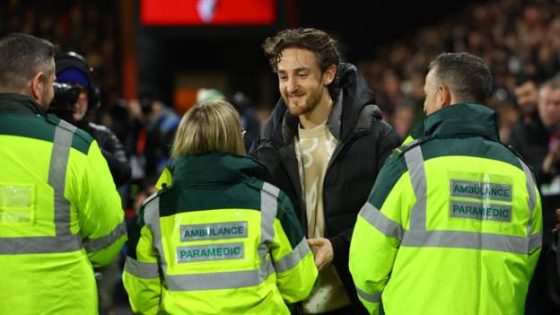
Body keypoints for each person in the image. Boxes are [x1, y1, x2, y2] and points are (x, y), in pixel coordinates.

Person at [349, 52, 542, 315]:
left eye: (427, 96)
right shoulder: (520, 172)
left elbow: (365, 261)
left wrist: (384, 307)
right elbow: (530, 260)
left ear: (442, 95)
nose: (425, 107)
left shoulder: (409, 165)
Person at [252, 27, 400, 314]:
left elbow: (394, 220)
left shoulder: (375, 138)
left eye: (302, 74)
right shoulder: (267, 146)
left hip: (354, 301)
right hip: (290, 303)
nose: (290, 86)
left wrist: (338, 247)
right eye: (283, 76)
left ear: (329, 74)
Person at [123, 100, 317, 314]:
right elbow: (299, 285)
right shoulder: (270, 202)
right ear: (235, 139)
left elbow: (142, 300)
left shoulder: (154, 211)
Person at [0, 33, 126, 314]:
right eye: (53, 82)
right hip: (60, 304)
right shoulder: (74, 147)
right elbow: (110, 240)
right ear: (37, 84)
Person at [509, 77, 560, 314]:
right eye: (548, 103)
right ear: (539, 102)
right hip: (537, 230)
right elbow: (517, 177)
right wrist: (548, 164)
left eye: (557, 104)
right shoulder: (522, 133)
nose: (551, 109)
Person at [51, 51, 131, 188]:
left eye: (81, 91)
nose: (75, 101)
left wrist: (85, 145)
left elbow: (124, 174)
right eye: (68, 91)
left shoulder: (102, 134)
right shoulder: (42, 132)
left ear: (91, 96)